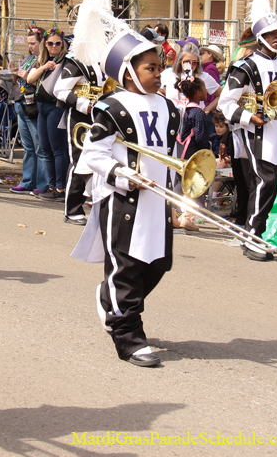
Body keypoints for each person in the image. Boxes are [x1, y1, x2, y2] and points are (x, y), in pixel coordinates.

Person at [71, 18, 178, 368]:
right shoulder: (111, 107)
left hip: (158, 199)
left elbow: (169, 155)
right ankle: (128, 336)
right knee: (126, 268)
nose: (159, 73)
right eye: (151, 68)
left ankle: (111, 300)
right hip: (124, 200)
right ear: (129, 72)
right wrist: (122, 174)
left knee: (158, 264)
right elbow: (93, 153)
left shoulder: (168, 107)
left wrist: (178, 194)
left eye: (160, 67)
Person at [219, 0, 277, 262]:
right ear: (260, 37)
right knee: (265, 182)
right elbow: (225, 103)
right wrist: (249, 118)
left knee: (267, 183)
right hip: (251, 135)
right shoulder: (244, 67)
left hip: (274, 137)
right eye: (272, 34)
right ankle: (253, 236)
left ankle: (253, 234)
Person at [55, 0, 110, 225]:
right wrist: (83, 104)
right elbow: (60, 89)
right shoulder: (76, 60)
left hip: (102, 116)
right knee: (80, 162)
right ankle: (72, 208)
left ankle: (98, 205)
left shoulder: (106, 60)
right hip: (80, 117)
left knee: (102, 160)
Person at [27, 28, 69, 201]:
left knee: (58, 149)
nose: (54, 46)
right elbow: (29, 79)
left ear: (62, 44)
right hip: (42, 106)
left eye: (58, 43)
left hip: (56, 106)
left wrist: (59, 68)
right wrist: (44, 66)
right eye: (50, 43)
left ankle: (60, 188)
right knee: (45, 148)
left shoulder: (67, 61)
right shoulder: (42, 60)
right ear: (45, 44)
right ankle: (51, 185)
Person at [10, 27, 49, 196]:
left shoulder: (43, 61)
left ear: (42, 43)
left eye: (33, 43)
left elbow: (43, 85)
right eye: (29, 43)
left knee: (39, 146)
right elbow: (19, 79)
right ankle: (27, 181)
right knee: (28, 147)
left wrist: (27, 76)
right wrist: (15, 72)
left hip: (33, 106)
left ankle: (42, 183)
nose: (30, 46)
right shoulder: (29, 58)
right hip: (21, 103)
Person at [174, 77, 209, 231]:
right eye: (205, 88)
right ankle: (189, 216)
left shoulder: (182, 108)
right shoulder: (198, 112)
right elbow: (200, 136)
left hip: (180, 150)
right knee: (193, 185)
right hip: (193, 152)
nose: (207, 91)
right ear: (198, 92)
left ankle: (174, 212)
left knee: (178, 183)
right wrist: (207, 152)